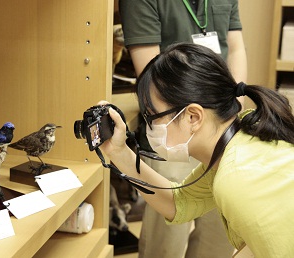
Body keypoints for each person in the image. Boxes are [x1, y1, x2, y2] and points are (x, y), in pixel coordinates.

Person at [98, 42, 294, 257]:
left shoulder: (237, 177)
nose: (150, 128)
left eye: (153, 117)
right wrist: (119, 151)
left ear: (193, 116)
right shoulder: (239, 135)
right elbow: (181, 202)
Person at [118, 0, 247, 257]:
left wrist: (231, 110)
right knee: (166, 241)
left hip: (216, 125)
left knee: (217, 235)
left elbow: (235, 48)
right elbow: (152, 79)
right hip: (176, 126)